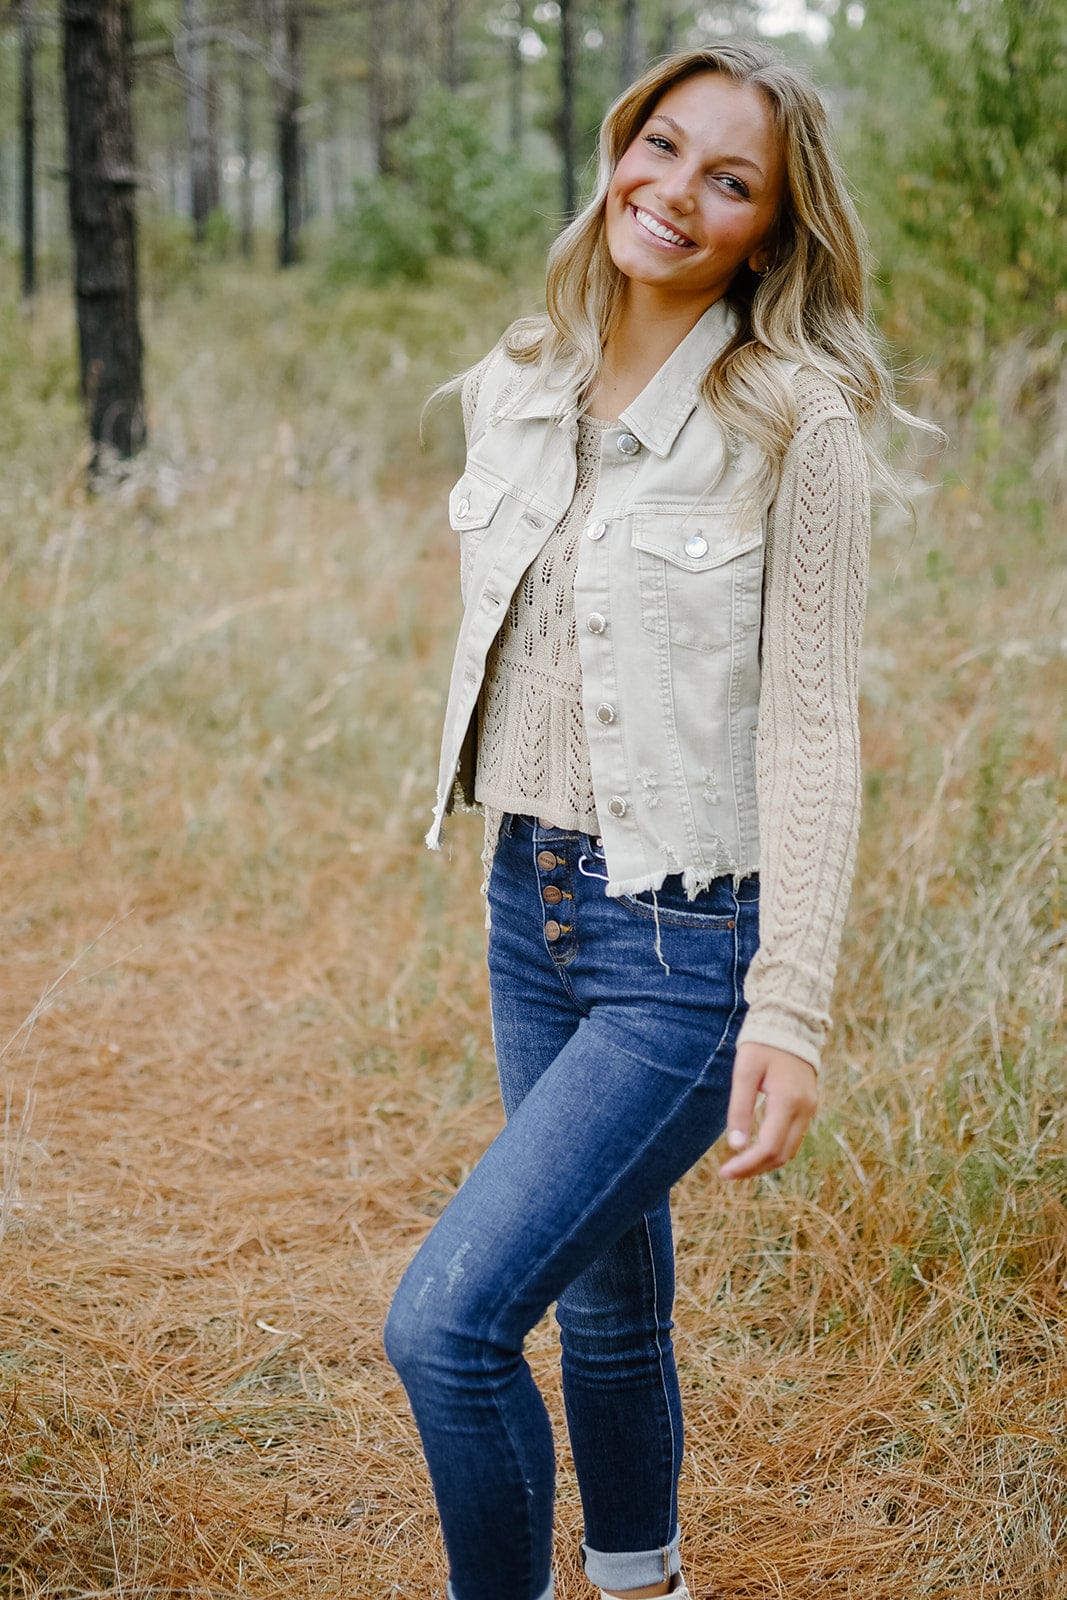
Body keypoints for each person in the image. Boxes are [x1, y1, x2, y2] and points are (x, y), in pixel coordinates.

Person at [385, 40, 896, 1600]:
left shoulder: (797, 422)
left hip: (685, 943)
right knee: (606, 1310)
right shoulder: (519, 379)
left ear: (770, 226)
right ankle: (641, 1579)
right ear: (621, 146)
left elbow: (812, 729)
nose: (673, 193)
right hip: (529, 902)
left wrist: (790, 1008)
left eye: (726, 179)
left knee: (448, 1325)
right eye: (660, 147)